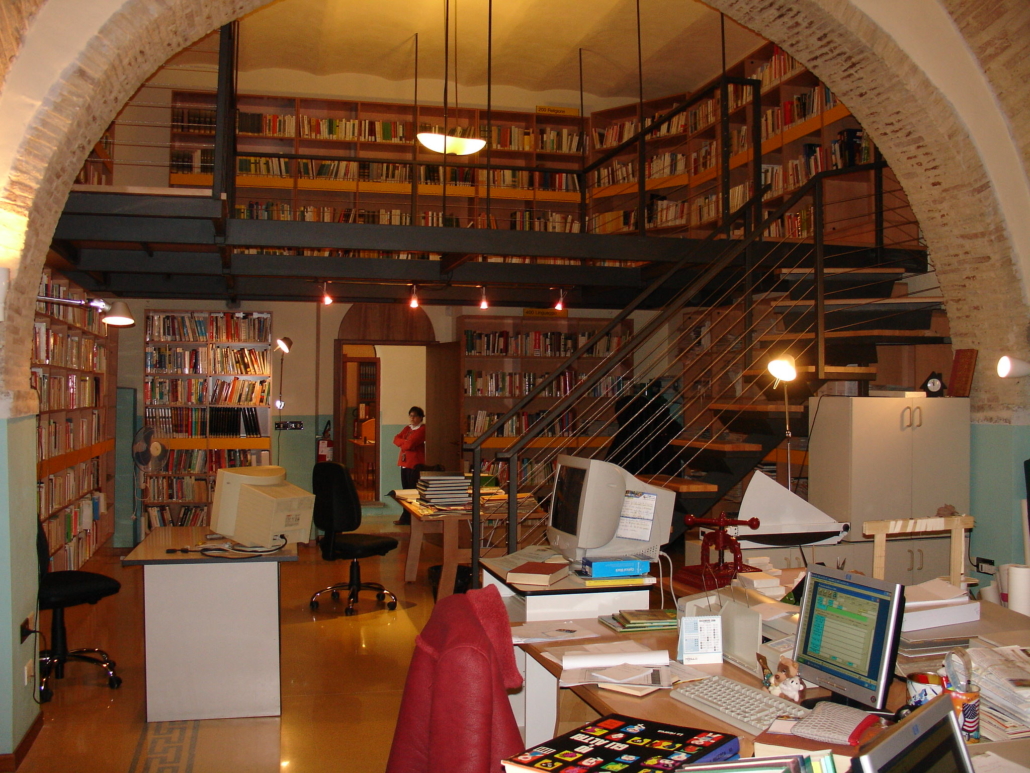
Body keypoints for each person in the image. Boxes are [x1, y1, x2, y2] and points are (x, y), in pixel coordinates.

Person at [393, 406, 425, 526]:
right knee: (405, 492)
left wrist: (403, 442)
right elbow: (395, 439)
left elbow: (410, 445)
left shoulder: (422, 429)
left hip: (415, 463)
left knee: (413, 491)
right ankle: (406, 518)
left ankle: (413, 518)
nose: (412, 418)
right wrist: (404, 442)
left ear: (420, 417)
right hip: (404, 463)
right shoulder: (407, 428)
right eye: (410, 416)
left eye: (415, 416)